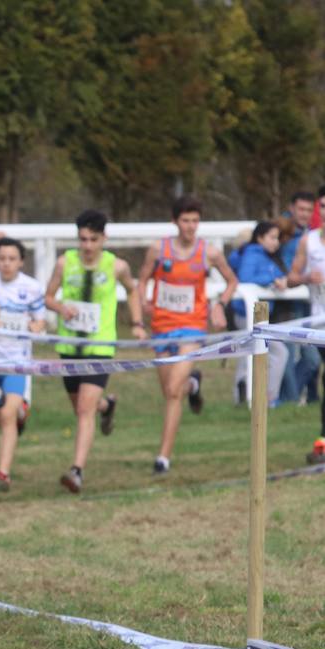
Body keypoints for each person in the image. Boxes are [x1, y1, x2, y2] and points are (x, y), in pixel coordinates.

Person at [136, 195, 236, 476]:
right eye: (185, 220)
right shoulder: (159, 249)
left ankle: (162, 458)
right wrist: (144, 300)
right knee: (170, 389)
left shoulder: (209, 252)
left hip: (192, 326)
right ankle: (193, 385)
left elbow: (232, 281)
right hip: (162, 326)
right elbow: (143, 278)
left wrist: (220, 306)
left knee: (171, 392)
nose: (191, 226)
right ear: (174, 221)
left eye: (195, 221)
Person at [43, 209, 140, 493]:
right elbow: (48, 297)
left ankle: (76, 471)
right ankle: (106, 406)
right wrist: (61, 307)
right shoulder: (64, 263)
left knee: (85, 409)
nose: (87, 246)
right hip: (69, 345)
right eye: (82, 239)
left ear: (103, 239)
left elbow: (132, 290)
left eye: (93, 240)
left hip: (99, 346)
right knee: (81, 407)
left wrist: (136, 323)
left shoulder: (117, 266)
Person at [0, 239, 45, 492]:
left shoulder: (32, 288)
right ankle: (15, 409)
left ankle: (3, 472)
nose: (6, 264)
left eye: (12, 259)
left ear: (21, 262)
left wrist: (33, 327)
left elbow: (41, 323)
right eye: (2, 258)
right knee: (0, 414)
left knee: (6, 416)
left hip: (17, 362)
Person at [228, 221, 290, 405]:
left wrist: (281, 279)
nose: (276, 242)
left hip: (254, 315)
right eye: (272, 237)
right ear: (259, 237)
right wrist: (273, 279)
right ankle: (268, 397)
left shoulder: (262, 255)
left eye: (277, 238)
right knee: (279, 353)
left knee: (248, 354)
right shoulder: (254, 254)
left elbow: (281, 275)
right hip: (248, 314)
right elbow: (246, 279)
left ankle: (243, 395)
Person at [286, 212, 325, 462]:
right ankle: (322, 442)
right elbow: (291, 278)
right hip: (318, 323)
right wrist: (306, 278)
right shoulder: (307, 242)